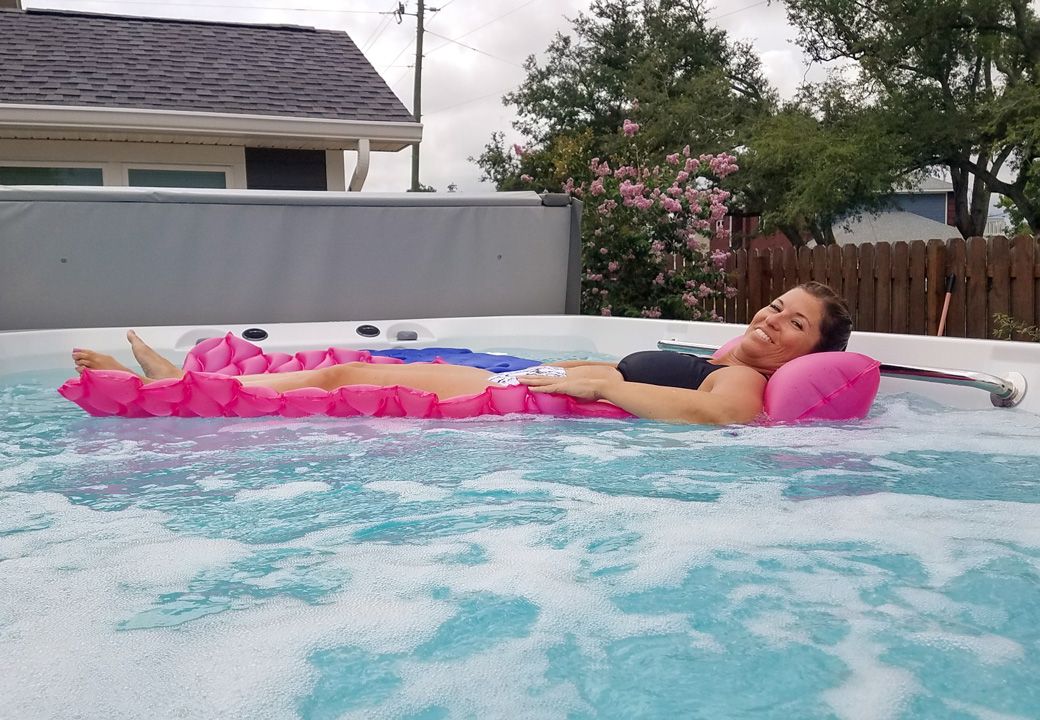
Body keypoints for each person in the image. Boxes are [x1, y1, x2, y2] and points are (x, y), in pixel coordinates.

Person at [72, 282, 852, 425]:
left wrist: (600, 389)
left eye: (796, 325)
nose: (774, 320)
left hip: (539, 399)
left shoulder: (745, 389)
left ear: (811, 356)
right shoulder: (727, 358)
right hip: (535, 382)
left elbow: (709, 419)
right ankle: (197, 379)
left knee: (351, 383)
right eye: (776, 308)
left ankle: (183, 391)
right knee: (354, 369)